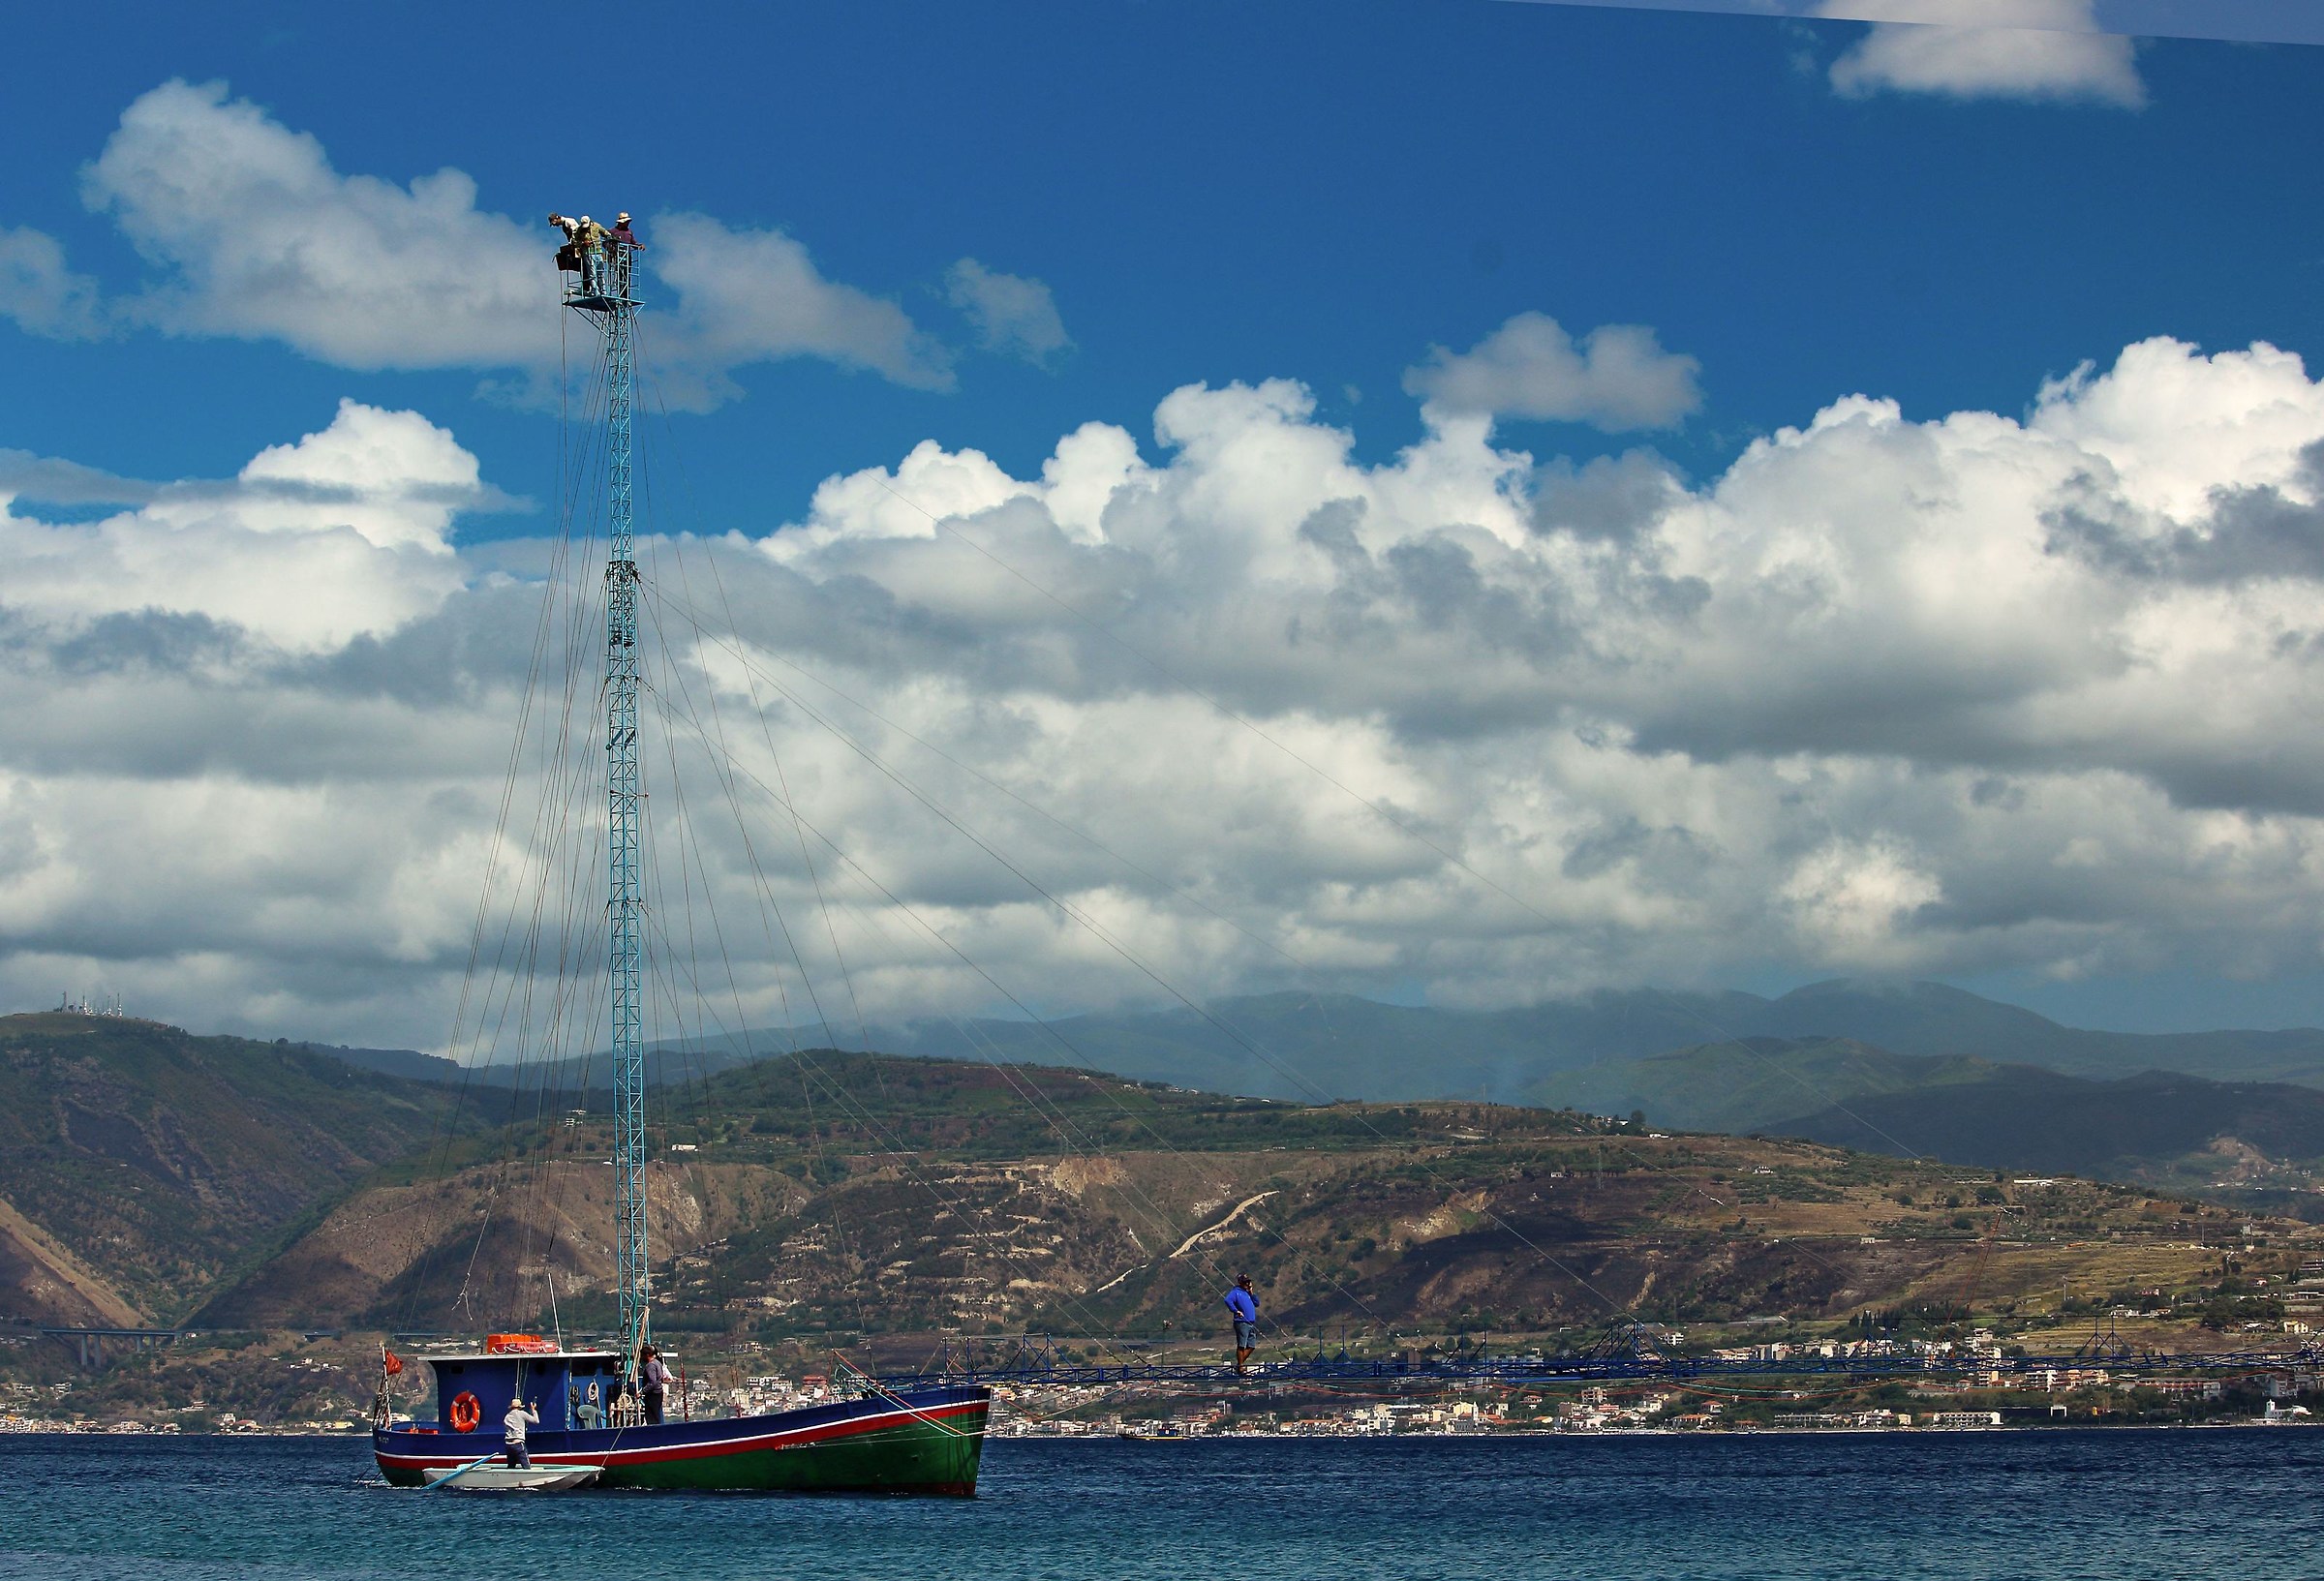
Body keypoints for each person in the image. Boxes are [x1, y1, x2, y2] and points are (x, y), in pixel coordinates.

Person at [1224, 1274, 1260, 1377]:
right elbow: (1227, 1300)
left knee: (1251, 1346)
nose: (1247, 1284)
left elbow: (1257, 1303)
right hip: (1241, 1322)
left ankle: (1239, 1365)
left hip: (1251, 1322)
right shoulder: (1236, 1292)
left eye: (1248, 1282)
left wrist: (1251, 1292)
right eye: (1245, 1282)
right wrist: (1236, 1311)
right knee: (1242, 1345)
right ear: (1240, 1283)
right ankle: (1240, 1366)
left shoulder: (1247, 1293)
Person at [503, 1394, 539, 1468]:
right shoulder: (521, 1413)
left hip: (508, 1445)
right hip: (518, 1444)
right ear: (519, 1407)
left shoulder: (507, 1417)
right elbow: (536, 1421)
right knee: (526, 1466)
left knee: (511, 1466)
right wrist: (533, 1410)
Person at [638, 1344, 671, 1425]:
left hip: (653, 1395)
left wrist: (642, 1392)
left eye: (642, 1355)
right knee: (656, 1415)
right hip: (658, 1393)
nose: (642, 1358)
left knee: (651, 1417)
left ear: (647, 1355)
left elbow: (652, 1382)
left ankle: (653, 1433)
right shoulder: (658, 1363)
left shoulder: (650, 1366)